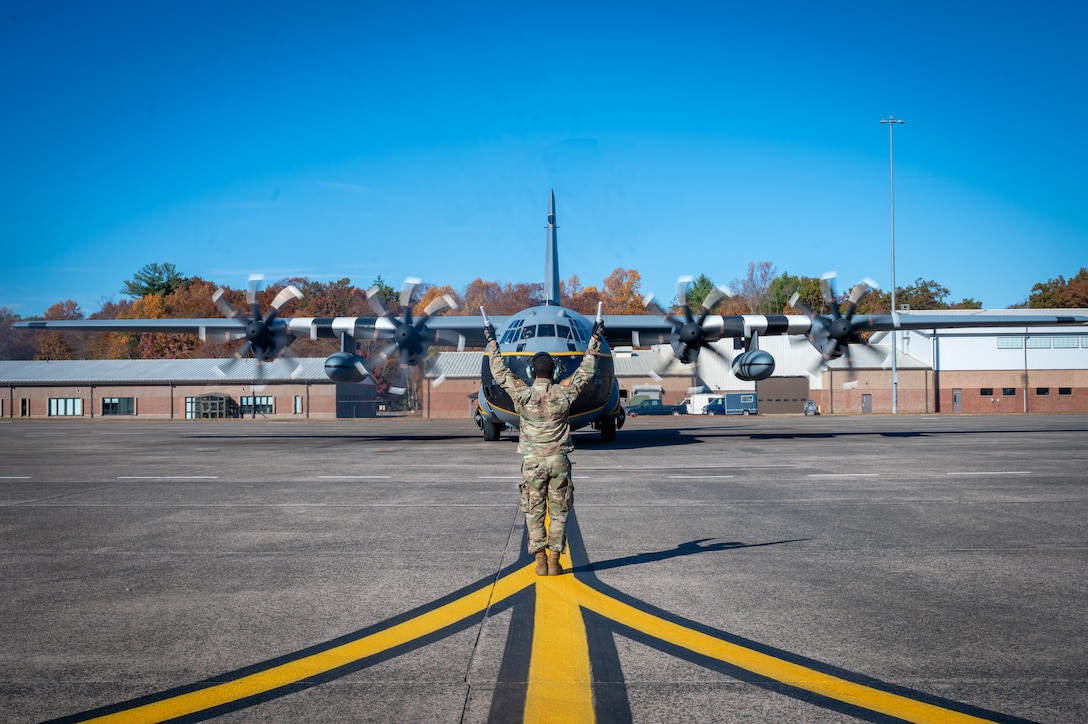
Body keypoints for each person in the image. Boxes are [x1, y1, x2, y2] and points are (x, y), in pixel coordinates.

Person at [484, 317, 604, 575]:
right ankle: (554, 561)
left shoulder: (523, 395)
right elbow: (586, 370)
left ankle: (539, 561)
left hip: (533, 462)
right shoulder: (563, 393)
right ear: (555, 372)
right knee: (560, 512)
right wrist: (595, 339)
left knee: (533, 511)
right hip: (559, 461)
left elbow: (500, 372)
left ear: (531, 373)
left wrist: (492, 340)